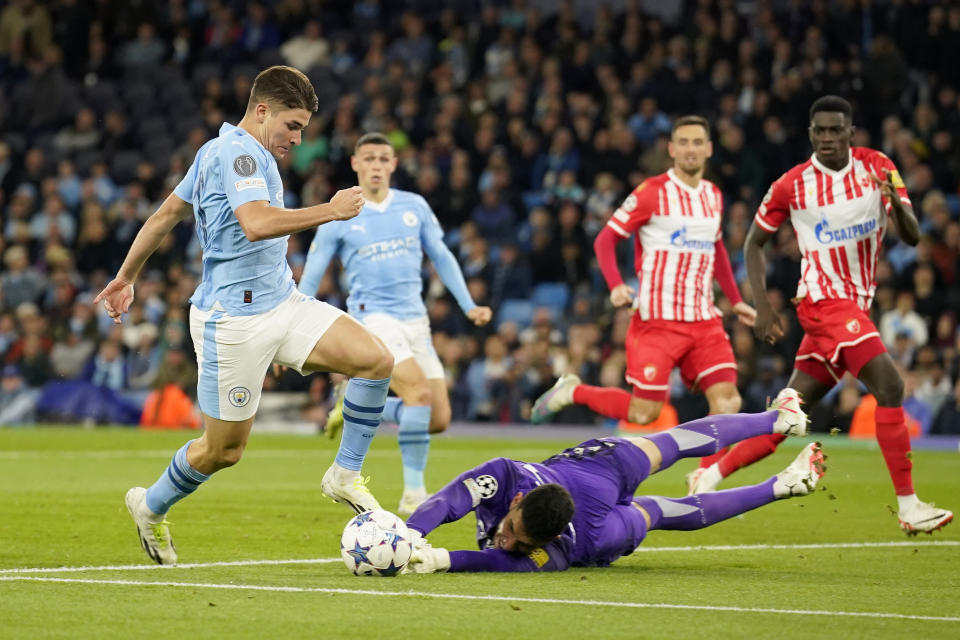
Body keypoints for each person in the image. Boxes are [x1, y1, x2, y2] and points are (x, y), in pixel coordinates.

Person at [95, 66, 396, 566]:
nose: (298, 139)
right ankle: (149, 505)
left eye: (302, 129)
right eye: (292, 126)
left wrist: (126, 276)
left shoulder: (224, 150)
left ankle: (344, 474)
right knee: (223, 452)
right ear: (262, 111)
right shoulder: (236, 154)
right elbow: (255, 224)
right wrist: (331, 209)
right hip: (231, 322)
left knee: (375, 360)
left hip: (282, 301)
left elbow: (166, 215)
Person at [709, 95, 952, 535]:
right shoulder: (793, 184)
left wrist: (895, 205)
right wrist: (763, 304)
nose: (826, 138)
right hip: (823, 304)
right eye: (819, 130)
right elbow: (752, 243)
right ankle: (909, 506)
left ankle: (706, 477)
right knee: (892, 385)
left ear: (851, 133)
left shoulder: (879, 166)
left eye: (835, 130)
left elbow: (914, 236)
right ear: (810, 135)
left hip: (852, 307)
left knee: (788, 418)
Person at [530, 115, 756, 491]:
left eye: (698, 142)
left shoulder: (714, 196)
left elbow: (716, 249)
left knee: (728, 401)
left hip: (704, 320)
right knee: (643, 411)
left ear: (709, 148)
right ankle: (571, 391)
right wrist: (617, 285)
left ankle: (704, 478)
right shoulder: (652, 192)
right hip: (657, 321)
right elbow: (605, 240)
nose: (690, 149)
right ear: (671, 149)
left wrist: (736, 300)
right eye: (683, 142)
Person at [400, 388, 821, 573]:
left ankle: (778, 430)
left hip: (591, 502)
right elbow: (454, 496)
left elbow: (489, 560)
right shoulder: (505, 482)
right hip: (593, 503)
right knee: (667, 484)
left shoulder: (543, 537)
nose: (506, 543)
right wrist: (412, 533)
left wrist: (439, 559)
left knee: (666, 480)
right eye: (515, 536)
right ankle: (781, 473)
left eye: (517, 539)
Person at [298, 132, 492, 516]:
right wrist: (296, 319)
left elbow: (441, 254)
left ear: (393, 165)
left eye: (383, 159)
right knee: (418, 393)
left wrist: (468, 304)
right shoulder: (341, 212)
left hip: (415, 321)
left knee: (438, 418)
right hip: (373, 319)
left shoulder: (413, 206)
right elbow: (314, 270)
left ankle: (348, 404)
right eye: (368, 158)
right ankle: (414, 495)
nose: (376, 165)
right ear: (355, 164)